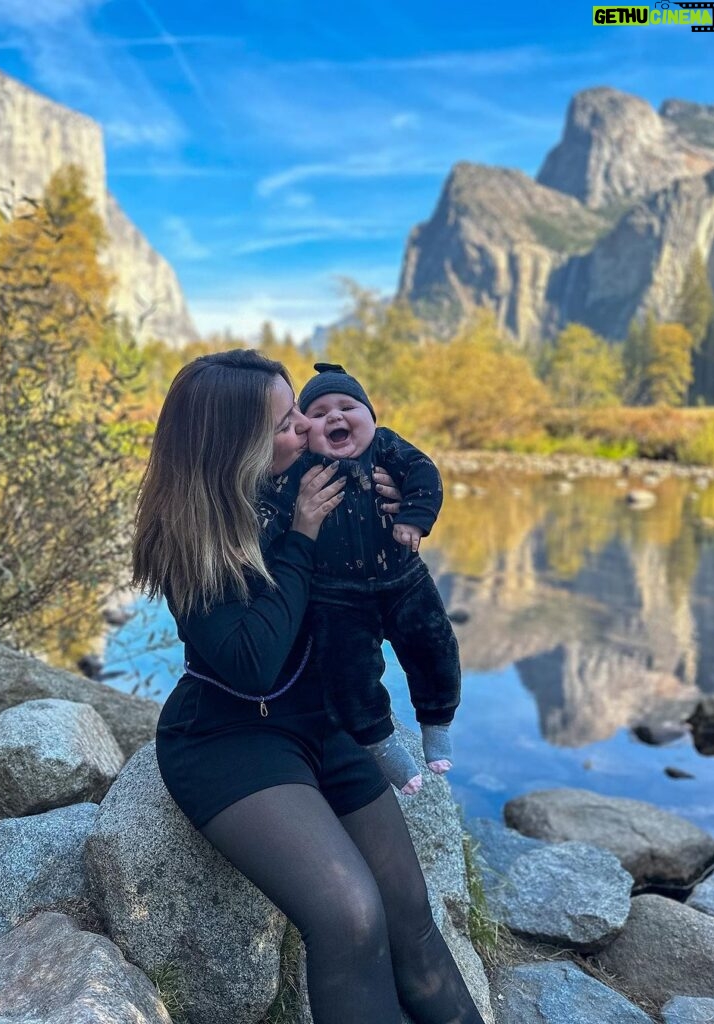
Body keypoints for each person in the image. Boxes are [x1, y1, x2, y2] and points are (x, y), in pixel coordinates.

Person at [132, 349, 485, 1024]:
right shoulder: (190, 531)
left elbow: (382, 585)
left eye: (299, 408)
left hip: (325, 721)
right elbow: (251, 661)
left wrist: (393, 514)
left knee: (408, 917)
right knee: (351, 916)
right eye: (287, 420)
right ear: (235, 446)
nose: (306, 426)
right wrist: (301, 535)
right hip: (229, 738)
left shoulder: (316, 479)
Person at [258, 363, 461, 797]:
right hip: (335, 596)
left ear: (371, 417)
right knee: (349, 674)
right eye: (319, 410)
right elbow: (269, 509)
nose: (335, 416)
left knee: (435, 646)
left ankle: (437, 721)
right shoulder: (300, 469)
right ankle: (382, 744)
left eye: (348, 406)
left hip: (404, 579)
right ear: (303, 428)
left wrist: (414, 517)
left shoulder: (387, 448)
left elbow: (426, 474)